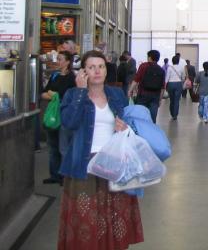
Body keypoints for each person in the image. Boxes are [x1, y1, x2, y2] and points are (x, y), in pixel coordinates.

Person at [57, 50, 144, 249]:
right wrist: (80, 91)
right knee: (86, 217)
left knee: (114, 215)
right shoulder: (72, 94)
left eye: (101, 66)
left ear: (106, 70)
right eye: (91, 67)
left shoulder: (116, 94)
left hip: (114, 162)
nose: (97, 71)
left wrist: (124, 127)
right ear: (83, 71)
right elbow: (69, 122)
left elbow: (130, 124)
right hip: (83, 164)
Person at [41, 49, 76, 185]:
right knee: (52, 145)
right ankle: (54, 175)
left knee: (63, 146)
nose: (58, 61)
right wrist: (52, 95)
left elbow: (69, 97)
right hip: (52, 115)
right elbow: (44, 93)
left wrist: (54, 95)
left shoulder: (71, 78)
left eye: (60, 59)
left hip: (64, 115)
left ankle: (65, 176)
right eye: (58, 58)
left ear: (67, 62)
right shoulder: (54, 76)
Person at [131, 50, 165, 123]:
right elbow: (162, 87)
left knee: (140, 115)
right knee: (152, 117)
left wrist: (129, 90)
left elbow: (136, 79)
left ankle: (141, 131)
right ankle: (151, 131)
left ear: (149, 57)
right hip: (155, 96)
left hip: (143, 94)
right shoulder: (161, 70)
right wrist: (160, 99)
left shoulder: (143, 66)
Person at [165, 55, 184, 120]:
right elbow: (183, 77)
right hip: (178, 84)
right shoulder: (181, 68)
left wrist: (165, 85)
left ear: (172, 61)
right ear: (178, 61)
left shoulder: (170, 68)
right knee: (176, 100)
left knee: (172, 100)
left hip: (171, 84)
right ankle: (175, 115)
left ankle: (172, 113)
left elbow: (167, 78)